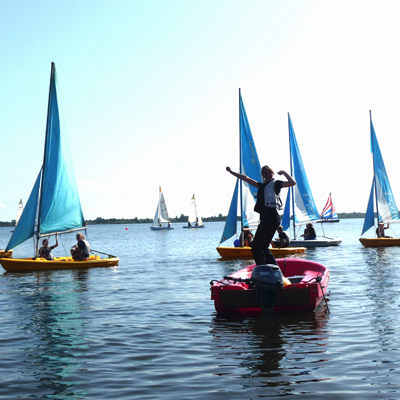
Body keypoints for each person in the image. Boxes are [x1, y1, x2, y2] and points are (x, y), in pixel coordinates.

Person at [226, 165, 296, 265]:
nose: (268, 174)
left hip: (271, 215)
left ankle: (263, 269)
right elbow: (246, 178)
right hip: (267, 216)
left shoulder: (276, 183)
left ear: (272, 174)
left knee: (255, 247)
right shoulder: (261, 186)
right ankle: (273, 269)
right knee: (263, 246)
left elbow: (292, 183)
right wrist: (231, 172)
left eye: (269, 172)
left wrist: (284, 173)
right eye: (265, 173)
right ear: (263, 175)